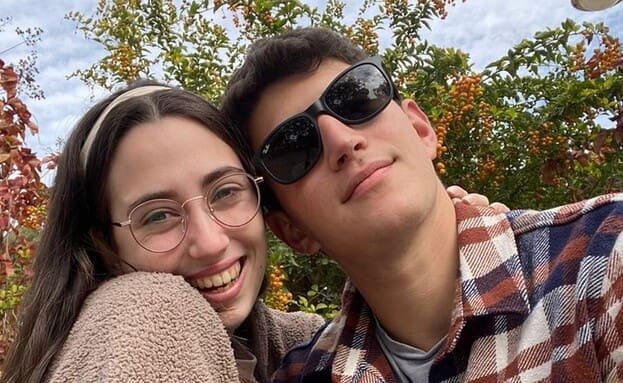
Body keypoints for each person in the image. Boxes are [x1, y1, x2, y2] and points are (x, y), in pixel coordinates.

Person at [221, 27, 623, 382]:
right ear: (291, 229)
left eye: (356, 98)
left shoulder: (603, 259)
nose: (342, 141)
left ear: (420, 128)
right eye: (295, 147)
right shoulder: (301, 376)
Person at [0, 82, 325, 383]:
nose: (210, 243)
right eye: (158, 216)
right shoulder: (150, 314)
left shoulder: (301, 344)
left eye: (226, 192)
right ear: (105, 247)